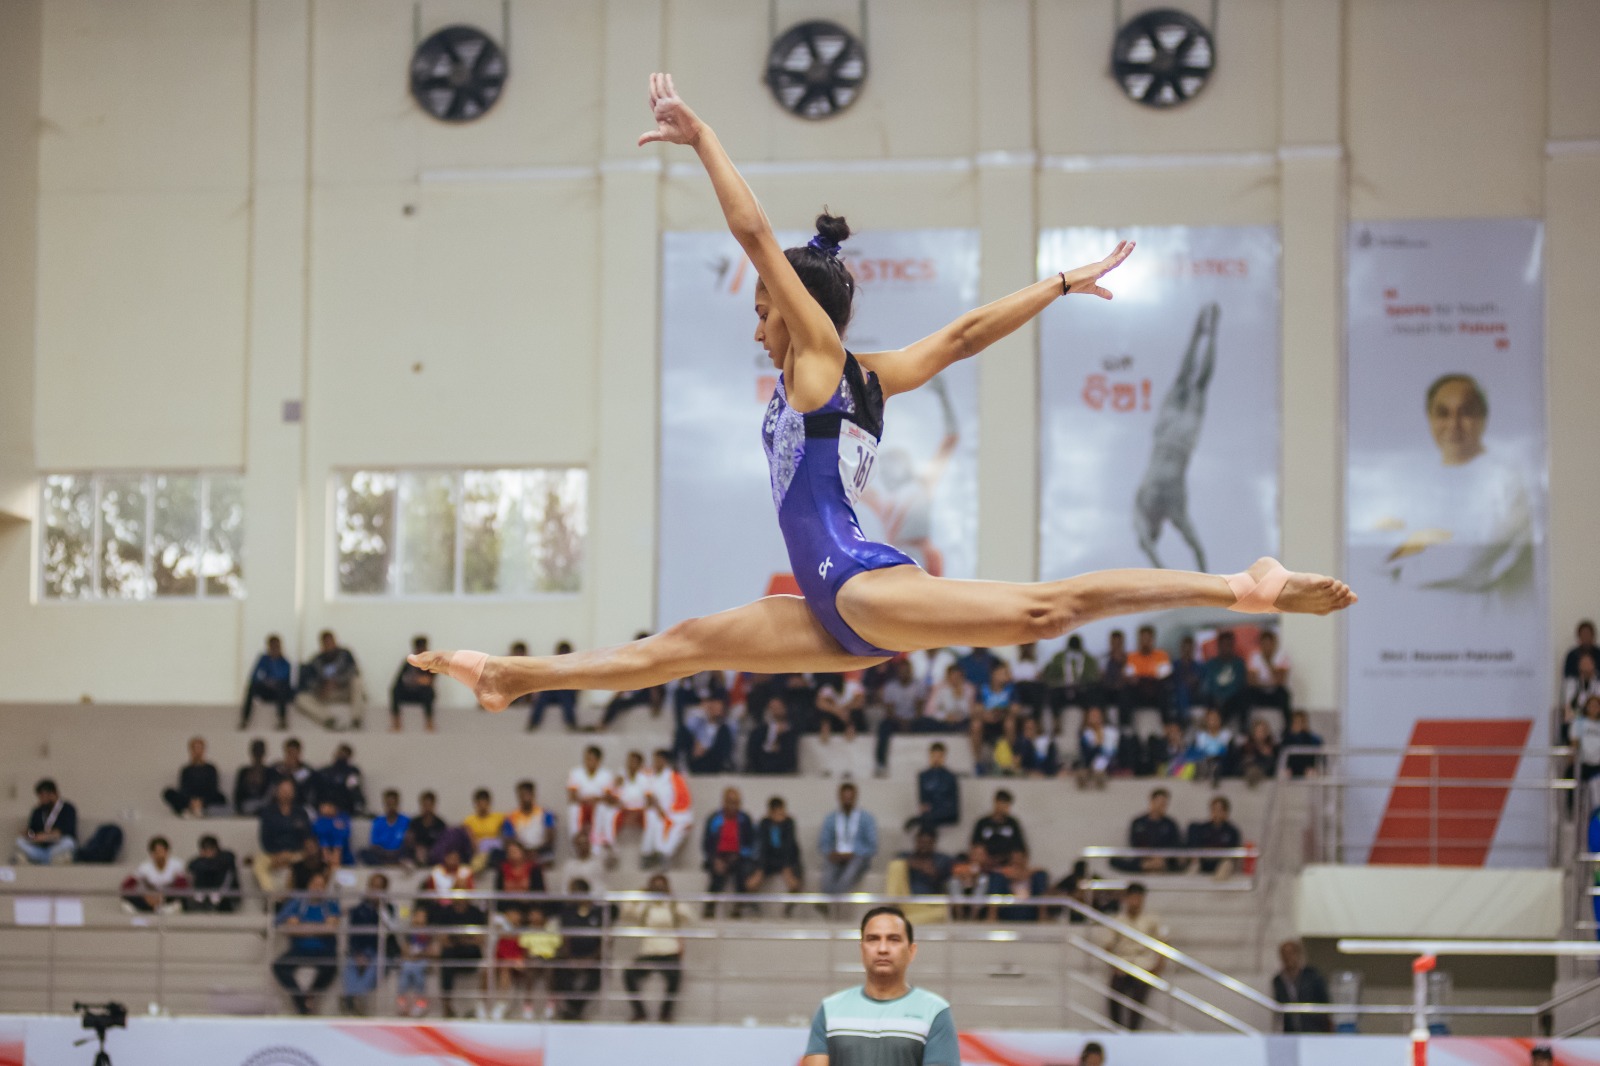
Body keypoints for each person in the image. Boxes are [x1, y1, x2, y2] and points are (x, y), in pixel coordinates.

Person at [403, 74, 1353, 720]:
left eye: (767, 310)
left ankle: (1244, 586)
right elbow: (965, 334)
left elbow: (756, 238)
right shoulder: (864, 379)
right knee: (682, 645)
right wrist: (1056, 285)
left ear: (799, 313)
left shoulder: (819, 361)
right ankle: (511, 677)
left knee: (1041, 613)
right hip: (832, 611)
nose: (756, 323)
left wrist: (704, 140)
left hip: (859, 580)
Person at [802, 906, 959, 1066]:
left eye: (894, 939)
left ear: (911, 951)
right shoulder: (830, 1010)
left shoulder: (934, 1011)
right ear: (862, 949)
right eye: (873, 939)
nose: (882, 949)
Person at [1134, 302, 1219, 572]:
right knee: (1198, 385)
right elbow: (1195, 546)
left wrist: (1162, 571)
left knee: (1186, 380)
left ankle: (1200, 333)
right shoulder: (1174, 512)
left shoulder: (1143, 506)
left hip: (1169, 437)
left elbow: (1146, 544)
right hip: (1179, 442)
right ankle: (1210, 333)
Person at [621, 873, 694, 1022]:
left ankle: (665, 1013)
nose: (658, 889)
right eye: (655, 886)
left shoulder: (673, 906)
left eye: (661, 886)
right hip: (649, 951)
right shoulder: (644, 907)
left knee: (675, 976)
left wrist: (672, 899)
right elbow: (625, 911)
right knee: (628, 974)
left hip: (669, 951)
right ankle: (639, 1012)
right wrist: (640, 892)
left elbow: (690, 916)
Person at [272, 869, 340, 1015]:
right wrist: (319, 927)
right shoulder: (298, 904)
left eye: (321, 885)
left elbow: (330, 928)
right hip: (300, 949)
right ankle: (301, 1002)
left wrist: (304, 927)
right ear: (309, 886)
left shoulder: (330, 905)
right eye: (315, 884)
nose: (317, 888)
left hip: (323, 950)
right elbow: (291, 928)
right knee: (279, 966)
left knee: (331, 966)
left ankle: (311, 994)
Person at [1099, 883, 1164, 1030]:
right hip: (1123, 963)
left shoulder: (1152, 919)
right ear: (1126, 899)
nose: (1135, 901)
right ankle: (1116, 1029)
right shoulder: (1118, 919)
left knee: (1139, 994)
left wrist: (1158, 966)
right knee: (1115, 991)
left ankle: (1133, 1031)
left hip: (1144, 963)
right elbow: (1107, 945)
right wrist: (1114, 966)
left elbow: (1162, 943)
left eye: (1139, 898)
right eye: (1132, 897)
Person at [341, 872, 398, 1014]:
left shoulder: (389, 908)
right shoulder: (359, 909)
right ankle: (353, 997)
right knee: (350, 963)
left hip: (379, 951)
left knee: (377, 964)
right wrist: (357, 953)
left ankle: (355, 995)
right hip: (360, 950)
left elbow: (391, 929)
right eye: (373, 886)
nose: (375, 890)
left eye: (379, 887)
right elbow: (353, 934)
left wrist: (380, 907)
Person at [553, 878, 607, 1020]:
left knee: (595, 977)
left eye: (574, 891)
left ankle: (574, 1010)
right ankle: (574, 1010)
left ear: (584, 892)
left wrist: (591, 958)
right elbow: (565, 938)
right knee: (557, 971)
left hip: (593, 957)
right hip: (571, 956)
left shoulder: (598, 912)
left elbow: (605, 940)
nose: (571, 895)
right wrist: (570, 958)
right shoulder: (568, 911)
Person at [702, 787, 757, 917]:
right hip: (718, 856)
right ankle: (710, 908)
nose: (733, 806)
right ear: (724, 802)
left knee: (743, 872)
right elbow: (706, 843)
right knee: (717, 874)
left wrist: (738, 855)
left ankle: (738, 907)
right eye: (730, 802)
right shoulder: (714, 819)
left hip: (739, 856)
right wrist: (714, 859)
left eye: (736, 802)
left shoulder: (745, 819)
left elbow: (750, 843)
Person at [297, 629, 365, 730]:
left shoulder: (345, 654)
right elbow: (308, 681)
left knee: (357, 681)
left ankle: (356, 719)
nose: (329, 645)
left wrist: (337, 681)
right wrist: (321, 687)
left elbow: (354, 671)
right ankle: (329, 720)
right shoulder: (316, 660)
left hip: (344, 691)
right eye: (325, 642)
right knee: (300, 698)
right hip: (326, 694)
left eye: (330, 641)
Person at [818, 782, 878, 897]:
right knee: (827, 872)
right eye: (844, 797)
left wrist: (854, 853)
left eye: (850, 797)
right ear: (839, 797)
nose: (847, 800)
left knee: (849, 873)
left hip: (857, 857)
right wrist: (831, 852)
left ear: (855, 797)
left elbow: (872, 845)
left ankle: (833, 900)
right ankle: (826, 900)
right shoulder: (831, 818)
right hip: (836, 856)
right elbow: (823, 843)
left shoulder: (866, 818)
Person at [253, 778, 312, 892]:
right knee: (258, 865)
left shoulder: (301, 812)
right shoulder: (268, 812)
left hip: (296, 853)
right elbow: (265, 838)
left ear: (294, 792)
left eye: (289, 790)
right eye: (283, 789)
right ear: (277, 792)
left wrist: (289, 854)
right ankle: (271, 894)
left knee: (305, 861)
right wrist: (277, 854)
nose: (286, 792)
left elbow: (306, 837)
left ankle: (291, 898)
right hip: (273, 853)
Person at [641, 749, 694, 866]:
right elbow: (646, 794)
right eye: (655, 760)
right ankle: (647, 853)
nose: (656, 763)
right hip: (654, 811)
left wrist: (665, 811)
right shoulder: (649, 776)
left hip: (672, 813)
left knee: (676, 826)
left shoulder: (675, 778)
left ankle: (664, 853)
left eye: (659, 760)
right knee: (652, 816)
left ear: (665, 761)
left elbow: (683, 800)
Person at [749, 796, 804, 908]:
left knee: (795, 880)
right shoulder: (764, 824)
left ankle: (788, 909)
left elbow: (790, 847)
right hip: (769, 859)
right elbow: (762, 848)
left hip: (788, 859)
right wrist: (760, 869)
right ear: (770, 812)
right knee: (751, 880)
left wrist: (786, 867)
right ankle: (754, 908)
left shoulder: (789, 823)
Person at [1111, 788, 1182, 874]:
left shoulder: (1170, 824)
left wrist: (1161, 856)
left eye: (1163, 804)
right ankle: (1148, 866)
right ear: (1152, 801)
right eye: (1158, 802)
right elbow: (1134, 843)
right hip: (1142, 858)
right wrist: (1148, 856)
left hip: (1163, 859)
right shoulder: (1138, 822)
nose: (1161, 806)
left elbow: (1175, 844)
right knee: (1114, 860)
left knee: (1177, 862)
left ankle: (1152, 867)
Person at [1271, 939, 1331, 1033]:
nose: (1288, 958)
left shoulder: (1312, 976)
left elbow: (1324, 1000)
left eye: (1291, 953)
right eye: (1285, 954)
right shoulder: (1278, 980)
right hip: (1290, 1030)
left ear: (1298, 955)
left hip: (1313, 1028)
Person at [15, 779, 77, 865]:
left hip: (57, 847)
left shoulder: (68, 809)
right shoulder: (38, 811)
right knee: (19, 841)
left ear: (53, 794)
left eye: (44, 796)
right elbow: (32, 831)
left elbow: (66, 831)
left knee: (69, 843)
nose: (42, 800)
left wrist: (46, 836)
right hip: (40, 848)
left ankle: (50, 859)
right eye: (40, 797)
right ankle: (45, 859)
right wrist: (28, 834)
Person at [1044, 635, 1101, 727]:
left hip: (1081, 690)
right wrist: (1060, 682)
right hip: (1062, 689)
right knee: (1053, 695)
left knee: (1092, 693)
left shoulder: (1088, 659)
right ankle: (1056, 725)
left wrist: (1081, 681)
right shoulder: (1058, 658)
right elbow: (1050, 677)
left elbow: (1093, 677)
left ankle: (1086, 726)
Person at [121, 836, 188, 914]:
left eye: (161, 851)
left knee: (182, 896)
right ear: (152, 854)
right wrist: (146, 896)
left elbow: (182, 885)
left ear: (167, 851)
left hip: (168, 896)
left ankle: (167, 909)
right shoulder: (145, 867)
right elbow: (126, 886)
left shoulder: (176, 864)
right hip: (150, 897)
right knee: (127, 896)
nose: (159, 855)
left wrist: (164, 896)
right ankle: (149, 910)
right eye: (156, 852)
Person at [162, 736, 227, 816]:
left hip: (206, 798)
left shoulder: (211, 768)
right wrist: (191, 801)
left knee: (221, 797)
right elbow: (183, 788)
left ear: (203, 750)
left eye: (200, 748)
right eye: (195, 748)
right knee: (168, 793)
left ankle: (199, 809)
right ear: (191, 750)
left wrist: (201, 801)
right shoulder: (186, 769)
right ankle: (189, 809)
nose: (197, 751)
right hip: (189, 798)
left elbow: (213, 787)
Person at [242, 633, 294, 730]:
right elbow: (255, 675)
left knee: (282, 687)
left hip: (279, 691)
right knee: (252, 687)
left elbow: (285, 677)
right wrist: (265, 681)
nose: (274, 648)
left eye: (276, 646)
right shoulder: (263, 659)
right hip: (266, 689)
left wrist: (274, 681)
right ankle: (245, 719)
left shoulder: (285, 662)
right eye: (272, 646)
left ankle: (282, 719)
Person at [566, 746, 616, 847]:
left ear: (598, 760)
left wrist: (595, 800)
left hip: (598, 805)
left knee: (602, 808)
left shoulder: (606, 774)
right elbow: (571, 796)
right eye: (586, 758)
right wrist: (585, 800)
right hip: (581, 804)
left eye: (590, 759)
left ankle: (596, 845)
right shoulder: (575, 773)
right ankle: (576, 842)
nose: (587, 762)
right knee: (573, 809)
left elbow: (609, 798)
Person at [908, 741, 961, 836]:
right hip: (930, 813)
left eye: (939, 756)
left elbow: (953, 802)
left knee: (927, 818)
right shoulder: (923, 776)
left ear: (944, 757)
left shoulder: (951, 777)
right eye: (934, 756)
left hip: (947, 814)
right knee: (926, 817)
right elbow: (923, 801)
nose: (936, 759)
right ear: (930, 756)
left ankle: (920, 821)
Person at [1200, 631, 1249, 729]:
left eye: (1229, 645)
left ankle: (1243, 731)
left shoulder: (1239, 664)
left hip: (1232, 699)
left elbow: (1238, 684)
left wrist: (1225, 696)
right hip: (1214, 698)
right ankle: (1210, 729)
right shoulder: (1211, 664)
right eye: (1224, 645)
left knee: (1245, 695)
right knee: (1206, 696)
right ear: (1219, 646)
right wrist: (1218, 696)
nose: (1226, 648)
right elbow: (1209, 683)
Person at [528, 640, 580, 731]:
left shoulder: (575, 667)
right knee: (542, 696)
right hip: (551, 693)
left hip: (566, 694)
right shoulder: (550, 665)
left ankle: (571, 723)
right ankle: (533, 723)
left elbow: (579, 684)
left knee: (565, 695)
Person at [1245, 629, 1293, 727]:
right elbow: (1251, 681)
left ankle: (1287, 730)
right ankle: (1244, 730)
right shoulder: (1255, 657)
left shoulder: (1282, 657)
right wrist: (1268, 683)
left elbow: (1280, 681)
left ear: (1274, 644)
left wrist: (1268, 661)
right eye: (1264, 644)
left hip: (1275, 693)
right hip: (1260, 693)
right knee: (1245, 694)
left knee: (1285, 695)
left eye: (1269, 644)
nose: (1266, 647)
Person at [1186, 796, 1243, 877]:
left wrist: (1218, 852)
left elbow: (1233, 852)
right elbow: (1197, 845)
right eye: (1214, 810)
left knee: (1227, 864)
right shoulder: (1203, 828)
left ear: (1225, 812)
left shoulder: (1232, 831)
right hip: (1204, 861)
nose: (1216, 813)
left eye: (1219, 810)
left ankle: (1218, 886)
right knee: (1194, 864)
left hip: (1221, 862)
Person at [1124, 625, 1173, 717]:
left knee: (1165, 689)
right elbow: (1130, 676)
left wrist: (1145, 676)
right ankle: (1126, 727)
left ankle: (1167, 723)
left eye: (1147, 639)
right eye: (1143, 639)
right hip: (1138, 690)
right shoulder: (1132, 657)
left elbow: (1163, 675)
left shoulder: (1162, 655)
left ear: (1152, 639)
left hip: (1156, 689)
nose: (1145, 642)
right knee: (1126, 691)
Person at [391, 635, 437, 732]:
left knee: (428, 692)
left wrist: (419, 680)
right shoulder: (408, 663)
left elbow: (430, 681)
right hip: (408, 691)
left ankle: (429, 722)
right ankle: (396, 721)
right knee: (395, 690)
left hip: (422, 693)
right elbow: (399, 680)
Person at [506, 780, 558, 865]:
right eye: (522, 795)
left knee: (548, 856)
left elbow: (550, 838)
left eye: (528, 794)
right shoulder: (510, 817)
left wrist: (536, 851)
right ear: (518, 796)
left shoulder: (546, 814)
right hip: (521, 853)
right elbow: (510, 840)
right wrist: (523, 852)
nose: (525, 798)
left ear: (533, 795)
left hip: (541, 851)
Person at [396, 906, 436, 1018]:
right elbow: (405, 950)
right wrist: (411, 956)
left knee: (417, 970)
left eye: (422, 916)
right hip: (410, 960)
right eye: (417, 916)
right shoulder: (409, 932)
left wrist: (420, 955)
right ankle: (402, 1003)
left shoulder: (429, 933)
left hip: (422, 960)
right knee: (406, 968)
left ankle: (420, 1004)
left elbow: (432, 951)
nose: (419, 919)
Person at [971, 790, 1027, 867]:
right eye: (1003, 804)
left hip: (1007, 863)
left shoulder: (1012, 823)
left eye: (1007, 805)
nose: (1005, 808)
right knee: (978, 851)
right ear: (996, 802)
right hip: (986, 862)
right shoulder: (982, 823)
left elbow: (1020, 848)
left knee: (1018, 855)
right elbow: (976, 846)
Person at [185, 834, 240, 912]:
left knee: (225, 871)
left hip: (224, 896)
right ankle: (201, 895)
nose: (207, 852)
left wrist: (219, 894)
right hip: (204, 893)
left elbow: (227, 866)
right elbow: (191, 866)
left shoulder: (226, 858)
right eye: (204, 849)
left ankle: (215, 896)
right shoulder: (198, 862)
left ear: (215, 849)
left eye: (210, 849)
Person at [747, 698, 801, 774]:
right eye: (773, 708)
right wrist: (772, 734)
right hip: (761, 771)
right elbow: (753, 754)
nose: (776, 710)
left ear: (784, 709)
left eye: (779, 707)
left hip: (784, 772)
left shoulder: (791, 733)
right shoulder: (758, 732)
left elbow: (790, 757)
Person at [360, 788, 411, 866]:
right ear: (385, 804)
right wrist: (386, 853)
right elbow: (374, 844)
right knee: (363, 852)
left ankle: (392, 863)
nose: (391, 807)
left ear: (398, 804)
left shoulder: (406, 821)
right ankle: (388, 864)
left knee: (409, 851)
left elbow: (408, 842)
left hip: (399, 854)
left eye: (393, 804)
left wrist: (395, 852)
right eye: (388, 804)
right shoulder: (378, 821)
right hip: (382, 855)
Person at [314, 743, 366, 815]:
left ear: (349, 756)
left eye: (345, 754)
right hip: (323, 808)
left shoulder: (351, 773)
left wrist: (358, 807)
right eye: (340, 753)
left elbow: (355, 791)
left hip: (341, 808)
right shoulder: (324, 771)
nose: (341, 756)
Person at [463, 787, 508, 869]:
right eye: (479, 803)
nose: (482, 805)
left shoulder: (499, 817)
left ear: (489, 802)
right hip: (478, 849)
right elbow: (470, 839)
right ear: (475, 803)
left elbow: (505, 835)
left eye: (484, 802)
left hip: (494, 849)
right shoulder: (469, 820)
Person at [1075, 705, 1120, 789]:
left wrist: (1099, 746)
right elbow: (1085, 754)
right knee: (1082, 773)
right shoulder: (1085, 734)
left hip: (1108, 762)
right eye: (1092, 716)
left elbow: (1112, 752)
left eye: (1096, 715)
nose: (1094, 718)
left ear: (1102, 716)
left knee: (1100, 770)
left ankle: (1099, 774)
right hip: (1090, 763)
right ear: (1087, 718)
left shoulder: (1111, 732)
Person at [404, 790, 447, 868]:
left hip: (434, 852)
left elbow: (443, 842)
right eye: (425, 805)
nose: (427, 808)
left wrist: (431, 850)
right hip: (417, 851)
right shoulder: (414, 822)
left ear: (434, 805)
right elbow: (410, 840)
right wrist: (417, 847)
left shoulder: (440, 823)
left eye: (429, 805)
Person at [233, 738, 275, 817]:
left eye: (260, 752)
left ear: (264, 753)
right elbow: (238, 794)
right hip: (246, 806)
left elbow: (271, 795)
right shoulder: (244, 772)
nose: (258, 756)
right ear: (252, 753)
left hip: (265, 806)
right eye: (256, 752)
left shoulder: (270, 772)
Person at [312, 797, 354, 867]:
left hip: (343, 854)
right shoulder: (318, 820)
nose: (327, 808)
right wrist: (325, 851)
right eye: (324, 806)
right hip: (322, 854)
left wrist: (336, 851)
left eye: (329, 806)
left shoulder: (343, 818)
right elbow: (319, 835)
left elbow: (343, 835)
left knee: (338, 852)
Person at [1282, 710, 1325, 778]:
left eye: (1302, 722)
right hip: (1291, 771)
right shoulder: (1286, 740)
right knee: (1284, 774)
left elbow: (1319, 754)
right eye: (1296, 722)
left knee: (1312, 773)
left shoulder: (1313, 740)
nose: (1299, 725)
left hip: (1308, 770)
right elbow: (1283, 760)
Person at [1239, 719, 1280, 786]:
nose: (1261, 734)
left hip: (1267, 775)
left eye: (1263, 731)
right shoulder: (1246, 747)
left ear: (1267, 732)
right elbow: (1240, 765)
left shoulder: (1274, 748)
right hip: (1249, 771)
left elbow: (1276, 766)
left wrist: (1268, 756)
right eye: (1258, 731)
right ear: (1253, 732)